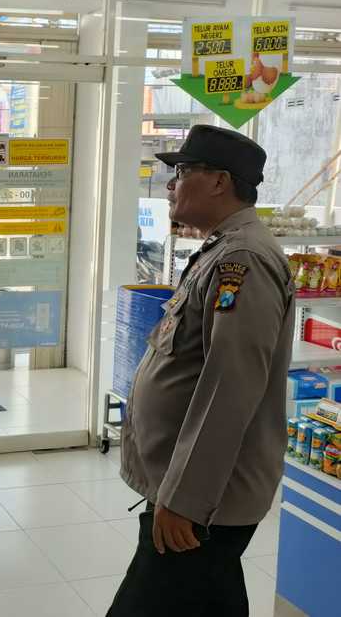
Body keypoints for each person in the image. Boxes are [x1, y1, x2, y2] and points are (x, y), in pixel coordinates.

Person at [109, 125, 294, 616]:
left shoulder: (244, 260)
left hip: (203, 498)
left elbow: (229, 389)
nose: (172, 184)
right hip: (195, 487)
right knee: (211, 596)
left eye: (184, 171)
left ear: (218, 181)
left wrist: (185, 499)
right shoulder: (222, 250)